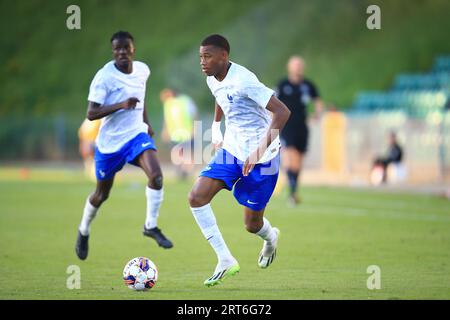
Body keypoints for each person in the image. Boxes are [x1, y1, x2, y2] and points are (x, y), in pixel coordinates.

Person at [188, 34, 291, 287]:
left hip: (263, 158)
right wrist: (215, 126)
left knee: (252, 224)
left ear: (224, 56)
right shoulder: (212, 78)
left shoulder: (245, 80)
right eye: (201, 57)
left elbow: (282, 112)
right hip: (232, 150)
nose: (203, 62)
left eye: (208, 56)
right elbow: (221, 96)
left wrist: (258, 151)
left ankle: (270, 238)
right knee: (196, 197)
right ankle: (225, 259)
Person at [75, 31, 173, 261]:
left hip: (136, 135)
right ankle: (83, 230)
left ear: (133, 49)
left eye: (125, 48)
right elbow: (91, 113)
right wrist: (121, 104)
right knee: (101, 194)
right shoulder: (104, 78)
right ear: (113, 52)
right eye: (117, 49)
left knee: (156, 176)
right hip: (109, 144)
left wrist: (146, 123)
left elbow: (141, 97)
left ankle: (151, 225)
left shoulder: (142, 70)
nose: (121, 52)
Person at [277, 55, 323, 205]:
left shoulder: (308, 85)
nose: (297, 68)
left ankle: (293, 190)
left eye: (299, 65)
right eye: (295, 65)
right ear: (289, 67)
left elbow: (317, 100)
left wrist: (316, 114)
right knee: (290, 154)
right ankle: (292, 192)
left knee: (298, 160)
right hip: (287, 125)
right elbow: (272, 102)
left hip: (302, 126)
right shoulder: (283, 84)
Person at [160, 88, 198, 179]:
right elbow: (167, 119)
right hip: (174, 134)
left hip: (187, 133)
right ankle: (182, 172)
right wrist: (165, 131)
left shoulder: (185, 101)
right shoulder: (167, 104)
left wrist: (194, 128)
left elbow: (194, 114)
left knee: (187, 154)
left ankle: (187, 173)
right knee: (177, 154)